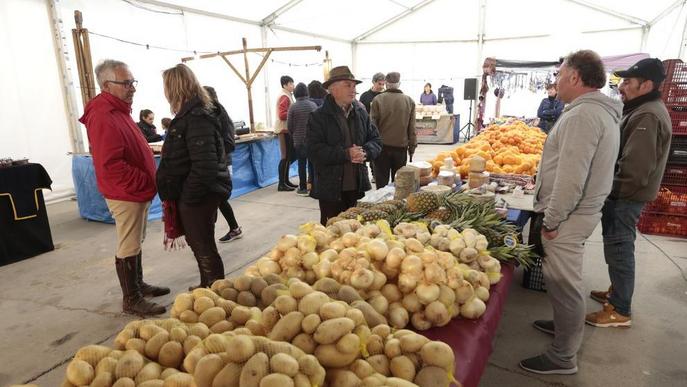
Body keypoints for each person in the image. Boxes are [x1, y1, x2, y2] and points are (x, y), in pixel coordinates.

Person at [519, 50, 622, 375]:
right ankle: (564, 326)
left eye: (559, 74)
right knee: (563, 281)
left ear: (574, 77)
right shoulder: (596, 112)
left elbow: (570, 178)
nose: (556, 81)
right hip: (581, 211)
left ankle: (563, 356)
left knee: (565, 283)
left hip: (569, 215)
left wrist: (551, 220)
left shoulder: (582, 116)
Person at [585, 58, 672, 328]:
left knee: (620, 247)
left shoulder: (647, 114)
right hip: (624, 194)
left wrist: (609, 192)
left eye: (627, 82)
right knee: (618, 246)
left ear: (646, 85)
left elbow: (635, 169)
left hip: (626, 196)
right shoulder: (642, 108)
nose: (621, 87)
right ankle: (617, 291)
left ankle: (620, 309)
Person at [79, 59, 168, 316]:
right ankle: (131, 299)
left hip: (135, 190)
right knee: (129, 243)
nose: (132, 88)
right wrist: (143, 180)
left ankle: (137, 285)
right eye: (126, 83)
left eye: (133, 82)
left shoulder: (118, 109)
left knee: (136, 240)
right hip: (126, 191)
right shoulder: (103, 115)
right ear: (107, 85)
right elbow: (111, 164)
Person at [156, 64, 230, 290]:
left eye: (166, 85)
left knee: (203, 245)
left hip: (199, 195)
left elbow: (205, 165)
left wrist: (188, 197)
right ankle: (208, 285)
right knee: (199, 243)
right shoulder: (191, 114)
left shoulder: (197, 117)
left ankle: (215, 293)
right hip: (197, 193)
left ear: (175, 86)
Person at [307, 66, 382, 225]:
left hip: (357, 186)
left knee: (358, 232)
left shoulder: (361, 113)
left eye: (354, 86)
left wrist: (365, 152)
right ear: (332, 88)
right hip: (331, 189)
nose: (353, 90)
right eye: (348, 85)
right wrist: (346, 154)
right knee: (332, 233)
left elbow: (376, 140)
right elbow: (314, 151)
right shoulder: (318, 116)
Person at [203, 86, 243, 243]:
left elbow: (227, 142)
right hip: (220, 162)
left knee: (216, 198)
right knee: (218, 199)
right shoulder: (217, 113)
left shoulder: (216, 114)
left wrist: (216, 156)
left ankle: (229, 230)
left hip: (220, 163)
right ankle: (234, 228)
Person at [370, 72, 416, 189]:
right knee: (399, 184)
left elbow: (372, 126)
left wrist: (371, 146)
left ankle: (381, 206)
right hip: (400, 148)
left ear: (386, 84)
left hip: (381, 149)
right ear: (399, 84)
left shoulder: (378, 99)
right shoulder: (409, 101)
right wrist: (412, 147)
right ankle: (396, 206)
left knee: (381, 184)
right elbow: (411, 128)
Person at [288, 82, 318, 196]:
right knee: (312, 164)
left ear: (295, 93)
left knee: (301, 164)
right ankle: (314, 187)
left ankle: (303, 187)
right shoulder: (313, 105)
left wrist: (294, 134)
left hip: (299, 140)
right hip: (312, 140)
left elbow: (289, 126)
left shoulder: (293, 107)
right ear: (306, 92)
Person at [275, 75, 297, 191]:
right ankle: (281, 184)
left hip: (286, 129)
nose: (293, 85)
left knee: (288, 156)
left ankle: (286, 180)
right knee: (285, 156)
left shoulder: (288, 95)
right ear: (284, 85)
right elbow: (282, 114)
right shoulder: (284, 96)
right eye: (290, 83)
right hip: (283, 129)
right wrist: (293, 114)